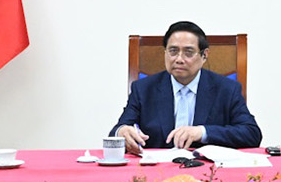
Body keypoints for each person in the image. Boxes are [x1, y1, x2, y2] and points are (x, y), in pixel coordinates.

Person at [112, 20, 262, 151]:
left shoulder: (227, 89)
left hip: (206, 169)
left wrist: (202, 132)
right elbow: (116, 132)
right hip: (157, 169)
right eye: (173, 51)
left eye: (188, 52)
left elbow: (251, 134)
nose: (179, 59)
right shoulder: (143, 89)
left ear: (204, 55)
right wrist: (122, 132)